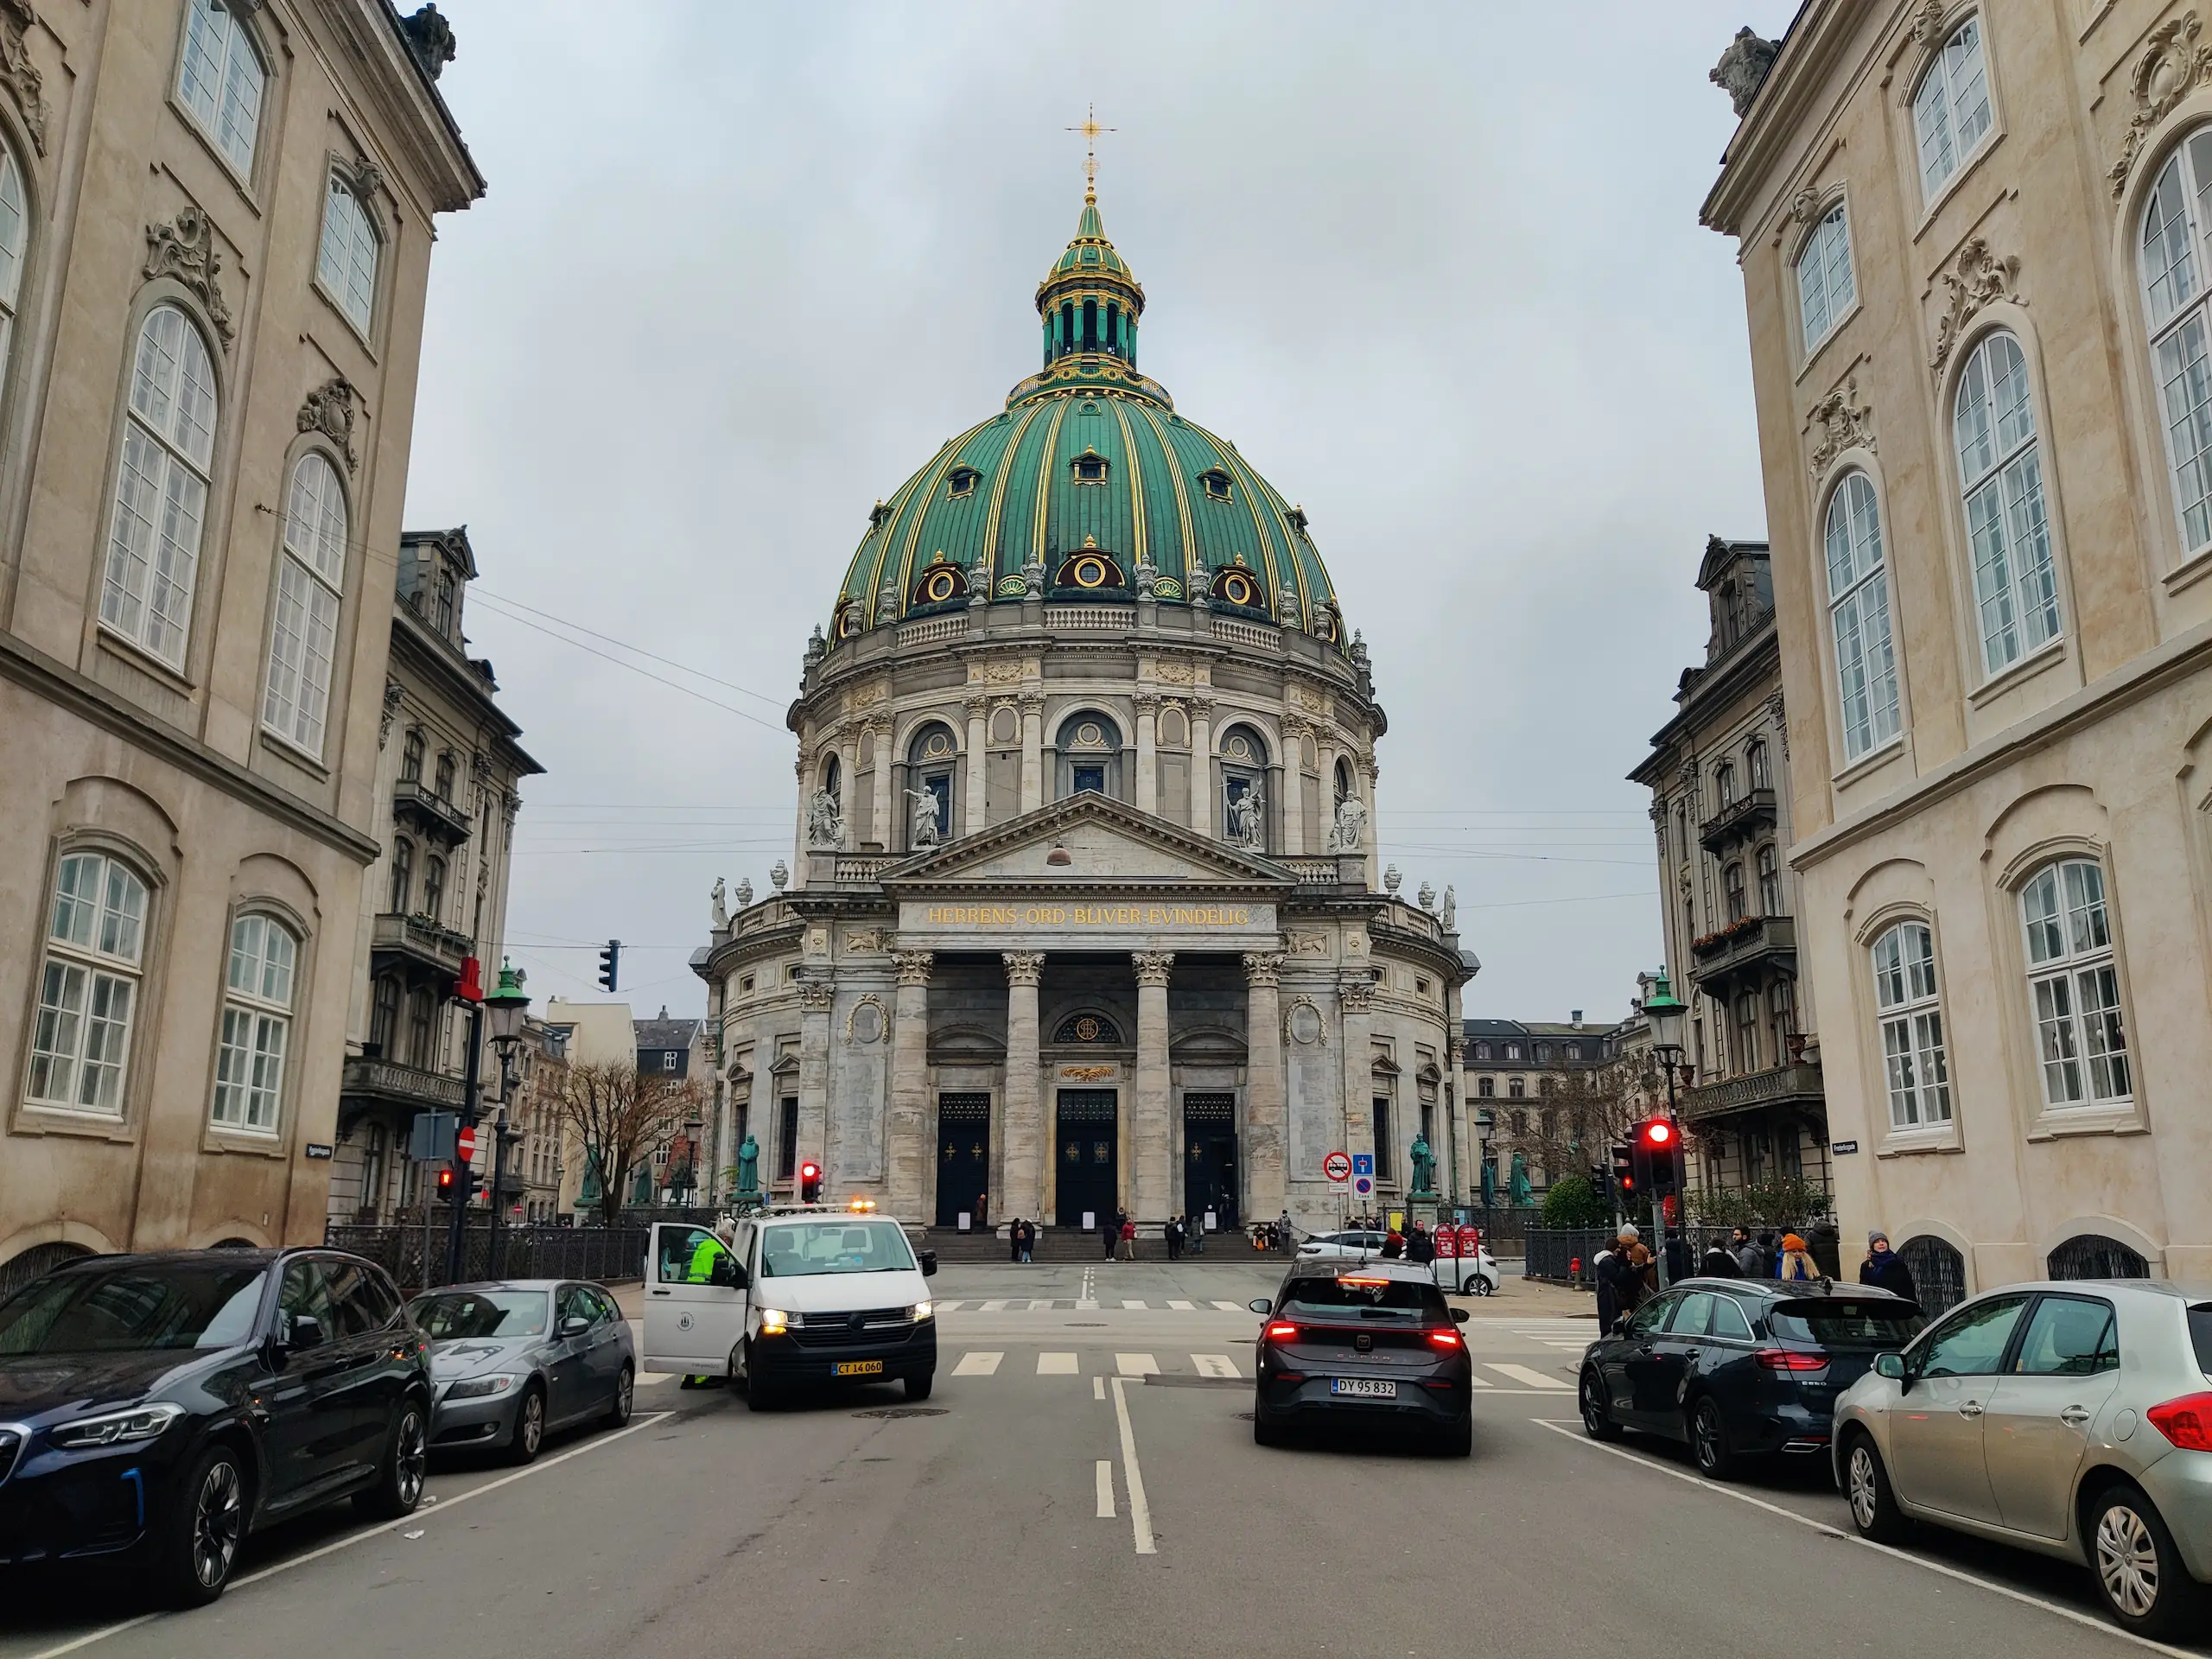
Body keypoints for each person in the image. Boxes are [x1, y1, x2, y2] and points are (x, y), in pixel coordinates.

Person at [680, 1218, 738, 1389]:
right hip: (708, 1295)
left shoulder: (704, 1246)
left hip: (693, 1293)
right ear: (726, 1240)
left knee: (694, 1339)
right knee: (707, 1338)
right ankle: (702, 1378)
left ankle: (688, 1376)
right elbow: (722, 1275)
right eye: (731, 1242)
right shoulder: (719, 1250)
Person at [1859, 1231, 1917, 1304]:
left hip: (1898, 1305)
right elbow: (1865, 1289)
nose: (1881, 1244)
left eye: (1883, 1241)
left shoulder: (1897, 1261)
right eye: (1877, 1242)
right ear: (1872, 1246)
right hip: (1877, 1306)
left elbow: (1908, 1286)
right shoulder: (1867, 1265)